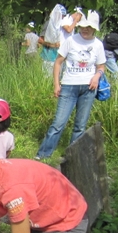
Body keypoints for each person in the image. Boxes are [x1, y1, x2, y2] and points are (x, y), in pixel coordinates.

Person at [35, 10, 106, 160]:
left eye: (89, 27)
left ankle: (73, 157)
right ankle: (43, 154)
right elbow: (58, 62)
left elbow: (101, 66)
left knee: (80, 125)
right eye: (83, 26)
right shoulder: (71, 40)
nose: (85, 29)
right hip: (68, 86)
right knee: (58, 123)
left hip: (88, 88)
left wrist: (97, 76)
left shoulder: (98, 44)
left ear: (94, 28)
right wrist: (56, 84)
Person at [39, 4, 66, 75]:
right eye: (61, 15)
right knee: (47, 77)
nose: (62, 18)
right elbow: (40, 40)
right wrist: (52, 45)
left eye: (64, 16)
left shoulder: (64, 25)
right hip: (49, 57)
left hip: (61, 57)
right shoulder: (48, 24)